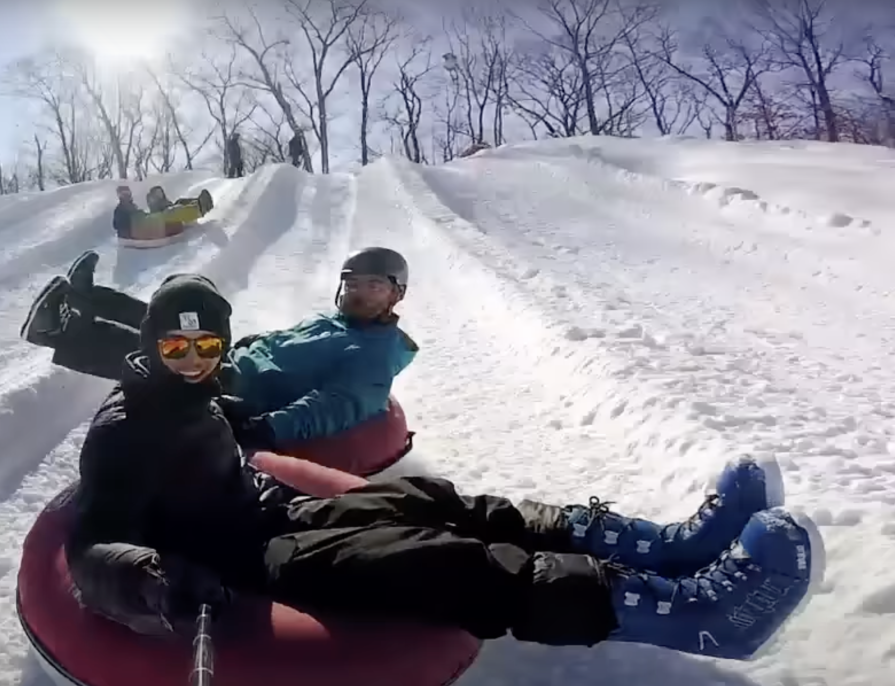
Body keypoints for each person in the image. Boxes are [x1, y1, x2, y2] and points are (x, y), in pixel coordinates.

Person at [66, 272, 824, 661]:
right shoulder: (122, 431)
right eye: (176, 346)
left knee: (441, 502)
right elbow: (89, 545)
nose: (193, 359)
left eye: (206, 345)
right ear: (154, 348)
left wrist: (259, 430)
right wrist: (150, 576)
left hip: (271, 512)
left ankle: (670, 548)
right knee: (436, 558)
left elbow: (226, 426)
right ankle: (691, 617)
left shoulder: (199, 393)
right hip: (240, 561)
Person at [20, 247, 419, 448]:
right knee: (177, 316)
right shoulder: (338, 321)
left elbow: (334, 406)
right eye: (352, 284)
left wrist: (263, 428)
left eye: (373, 286)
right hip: (241, 364)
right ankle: (87, 298)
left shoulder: (373, 354)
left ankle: (58, 331)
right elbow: (286, 344)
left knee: (166, 352)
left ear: (396, 294)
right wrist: (252, 343)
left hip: (243, 392)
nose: (357, 293)